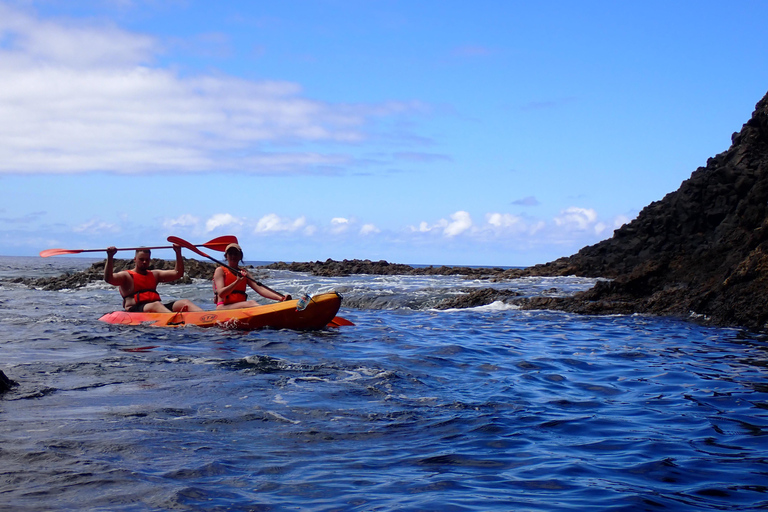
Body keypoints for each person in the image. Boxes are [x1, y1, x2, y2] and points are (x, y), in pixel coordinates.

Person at [104, 244, 204, 313]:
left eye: (146, 260)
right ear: (135, 259)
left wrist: (178, 252)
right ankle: (175, 320)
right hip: (135, 309)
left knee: (184, 302)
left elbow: (178, 273)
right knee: (155, 305)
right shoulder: (126, 276)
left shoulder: (154, 274)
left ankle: (206, 317)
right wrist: (110, 256)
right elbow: (109, 279)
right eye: (141, 259)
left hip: (155, 307)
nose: (144, 262)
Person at [213, 243, 291, 309]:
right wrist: (237, 282)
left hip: (239, 307)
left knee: (250, 303)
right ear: (226, 256)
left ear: (240, 256)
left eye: (236, 254)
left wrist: (281, 298)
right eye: (230, 254)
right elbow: (221, 293)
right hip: (223, 307)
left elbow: (261, 289)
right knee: (251, 303)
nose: (233, 256)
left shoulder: (244, 273)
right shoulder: (220, 270)